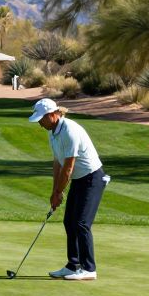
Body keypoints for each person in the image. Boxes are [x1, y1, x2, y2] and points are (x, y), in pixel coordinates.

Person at [29, 98, 109, 281]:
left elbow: (69, 168)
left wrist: (59, 192)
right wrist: (54, 191)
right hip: (79, 180)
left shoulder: (69, 131)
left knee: (81, 223)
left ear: (52, 115)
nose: (40, 124)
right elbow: (57, 163)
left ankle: (89, 269)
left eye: (41, 119)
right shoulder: (52, 132)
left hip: (92, 178)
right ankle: (73, 265)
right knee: (69, 221)